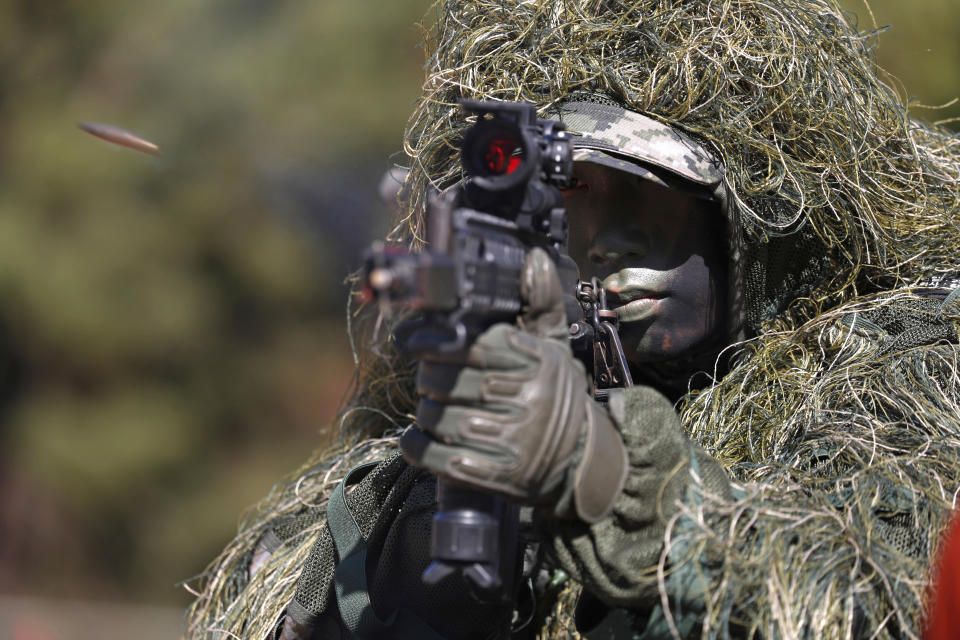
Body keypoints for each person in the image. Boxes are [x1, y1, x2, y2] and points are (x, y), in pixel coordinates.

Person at [185, 1, 960, 638]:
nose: (606, 240)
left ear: (758, 228)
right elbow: (261, 599)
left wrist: (611, 484)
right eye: (571, 198)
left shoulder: (892, 378)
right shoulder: (442, 414)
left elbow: (880, 598)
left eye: (649, 193)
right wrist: (418, 528)